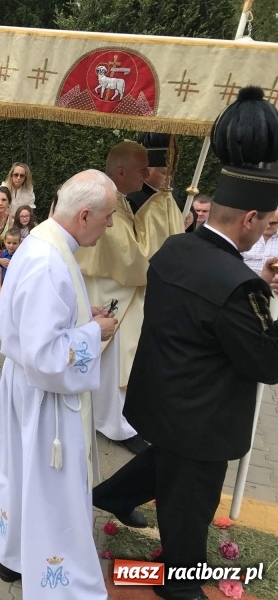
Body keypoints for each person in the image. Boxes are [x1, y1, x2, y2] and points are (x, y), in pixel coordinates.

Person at [93, 86, 278, 600]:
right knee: (189, 508)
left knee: (166, 464)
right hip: (201, 420)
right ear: (247, 220)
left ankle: (109, 495)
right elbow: (268, 361)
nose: (266, 232)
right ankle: (179, 584)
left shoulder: (176, 249)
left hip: (163, 402)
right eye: (267, 223)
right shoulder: (239, 286)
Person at [0, 169, 118, 596]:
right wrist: (92, 333)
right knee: (46, 488)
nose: (111, 225)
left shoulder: (44, 240)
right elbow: (46, 354)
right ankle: (54, 576)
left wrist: (83, 316)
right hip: (45, 397)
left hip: (24, 385)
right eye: (108, 217)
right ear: (84, 215)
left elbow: (38, 320)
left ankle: (15, 556)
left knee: (21, 474)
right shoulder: (48, 260)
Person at [75, 141, 184, 455]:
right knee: (113, 364)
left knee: (117, 363)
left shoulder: (116, 199)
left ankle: (112, 417)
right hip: (113, 299)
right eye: (141, 169)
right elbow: (135, 262)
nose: (146, 174)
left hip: (117, 294)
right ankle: (115, 425)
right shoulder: (105, 204)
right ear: (120, 172)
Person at [242, 208, 278, 274]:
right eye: (266, 222)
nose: (268, 226)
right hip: (248, 278)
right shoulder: (248, 235)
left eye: (273, 223)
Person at [0, 228, 21, 299]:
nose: (11, 246)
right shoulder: (2, 255)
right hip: (4, 285)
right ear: (4, 242)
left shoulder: (20, 256)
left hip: (16, 287)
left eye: (14, 243)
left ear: (19, 243)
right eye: (9, 243)